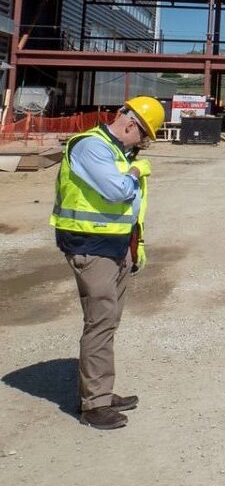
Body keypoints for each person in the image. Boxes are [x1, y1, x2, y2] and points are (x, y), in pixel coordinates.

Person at [51, 96, 161, 430]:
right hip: (91, 247)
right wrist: (134, 171)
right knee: (99, 322)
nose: (141, 144)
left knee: (109, 320)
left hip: (116, 247)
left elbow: (130, 208)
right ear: (130, 125)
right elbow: (116, 191)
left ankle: (99, 390)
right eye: (142, 136)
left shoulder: (117, 152)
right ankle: (93, 405)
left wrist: (136, 244)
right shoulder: (90, 147)